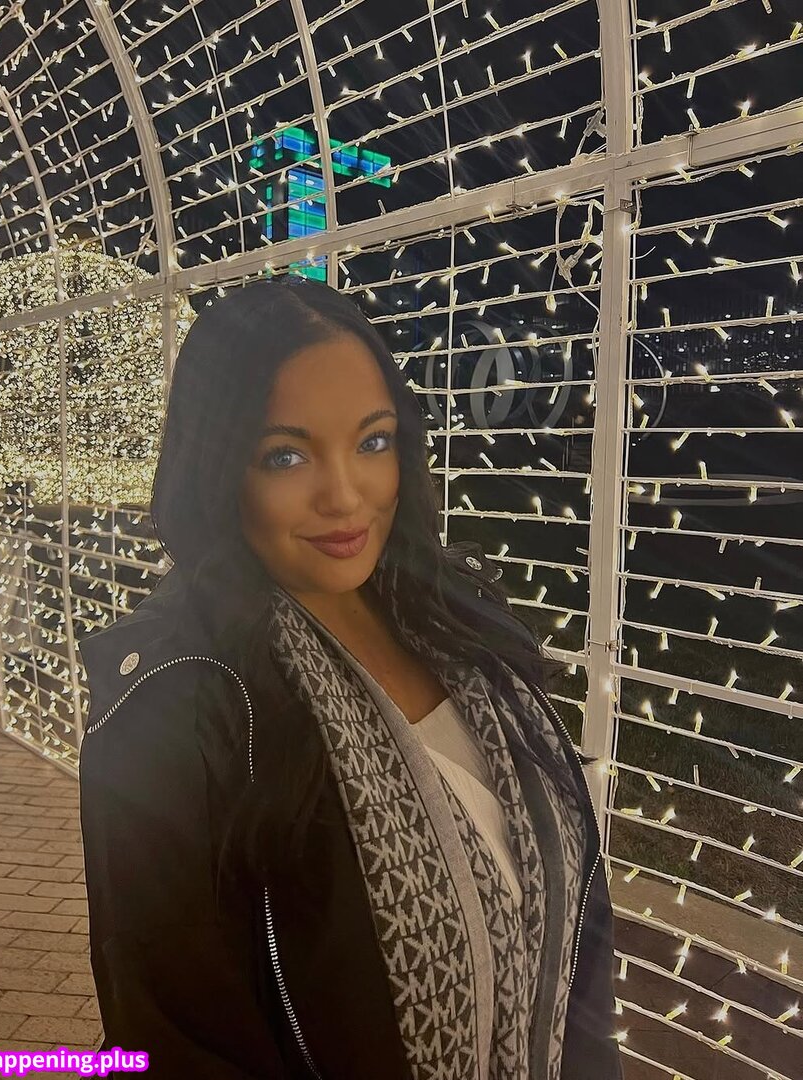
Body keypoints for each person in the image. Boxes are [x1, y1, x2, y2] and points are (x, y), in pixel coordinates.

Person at [77, 276, 622, 1080]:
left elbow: (578, 944)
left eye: (371, 442)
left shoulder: (461, 626)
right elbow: (176, 1041)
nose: (344, 496)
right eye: (285, 455)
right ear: (218, 467)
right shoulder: (176, 703)